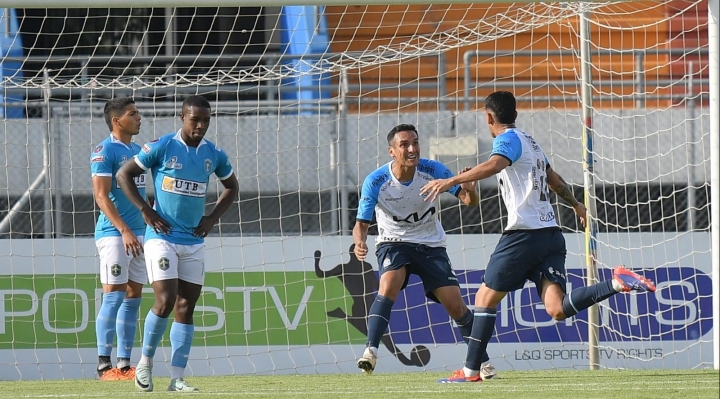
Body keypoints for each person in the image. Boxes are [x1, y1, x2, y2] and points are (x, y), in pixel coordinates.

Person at [419, 91, 656, 383]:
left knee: (483, 299)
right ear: (515, 114)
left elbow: (495, 164)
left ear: (489, 117)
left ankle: (470, 372)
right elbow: (553, 177)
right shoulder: (530, 141)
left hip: (524, 235)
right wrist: (576, 204)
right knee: (557, 309)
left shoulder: (506, 140)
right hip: (550, 235)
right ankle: (617, 283)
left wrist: (451, 181)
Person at [353, 123, 497, 379]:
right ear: (392, 151)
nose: (412, 149)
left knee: (455, 305)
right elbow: (361, 224)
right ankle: (370, 352)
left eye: (415, 143)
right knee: (388, 285)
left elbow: (467, 201)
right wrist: (360, 242)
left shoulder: (433, 170)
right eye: (404, 144)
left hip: (430, 243)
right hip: (393, 241)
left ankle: (481, 362)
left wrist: (471, 192)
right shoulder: (376, 181)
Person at [117, 95, 239, 392]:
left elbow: (232, 187)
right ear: (183, 118)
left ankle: (176, 378)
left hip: (193, 240)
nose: (200, 125)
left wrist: (211, 219)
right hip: (162, 237)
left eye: (206, 121)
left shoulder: (214, 154)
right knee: (166, 299)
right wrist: (146, 211)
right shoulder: (163, 146)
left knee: (186, 306)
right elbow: (124, 175)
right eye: (195, 120)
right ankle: (144, 365)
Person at [90, 97, 146, 381]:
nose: (139, 118)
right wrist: (124, 230)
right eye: (133, 114)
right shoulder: (104, 151)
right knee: (113, 296)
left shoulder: (137, 151)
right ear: (116, 120)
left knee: (134, 297)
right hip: (115, 234)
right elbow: (101, 196)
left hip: (140, 234)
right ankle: (103, 365)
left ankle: (124, 364)